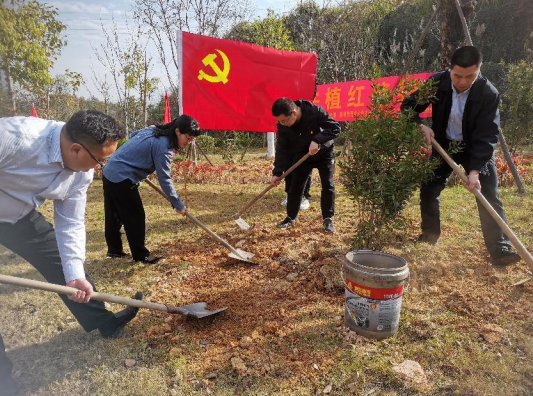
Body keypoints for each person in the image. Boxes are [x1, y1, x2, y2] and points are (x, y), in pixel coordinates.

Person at [0, 111, 141, 396]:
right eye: (100, 160)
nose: (101, 167)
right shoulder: (13, 138)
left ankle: (104, 322)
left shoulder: (82, 171)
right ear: (75, 149)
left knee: (65, 267)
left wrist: (74, 274)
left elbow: (71, 222)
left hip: (21, 216)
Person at [401, 46, 521, 266]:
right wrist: (420, 126)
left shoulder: (488, 93)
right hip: (444, 144)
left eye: (470, 76)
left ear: (479, 70)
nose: (463, 81)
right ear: (449, 69)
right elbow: (409, 106)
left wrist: (475, 171)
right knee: (429, 188)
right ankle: (429, 236)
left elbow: (487, 135)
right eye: (458, 76)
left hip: (475, 148)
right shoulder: (437, 83)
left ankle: (500, 249)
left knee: (489, 194)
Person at [102, 115, 200, 264]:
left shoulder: (155, 130)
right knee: (135, 217)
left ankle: (114, 250)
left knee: (114, 214)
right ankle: (142, 255)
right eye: (188, 137)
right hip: (122, 177)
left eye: (192, 139)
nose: (189, 142)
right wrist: (178, 204)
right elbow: (165, 179)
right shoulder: (164, 148)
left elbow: (134, 135)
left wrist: (141, 157)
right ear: (178, 131)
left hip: (110, 169)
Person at [271, 97, 341, 233]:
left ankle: (328, 218)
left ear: (294, 113)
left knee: (328, 185)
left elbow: (335, 128)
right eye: (279, 122)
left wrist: (317, 140)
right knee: (295, 186)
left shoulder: (315, 111)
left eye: (284, 121)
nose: (282, 124)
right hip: (302, 155)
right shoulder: (283, 125)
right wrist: (277, 172)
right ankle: (290, 217)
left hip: (324, 152)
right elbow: (282, 149)